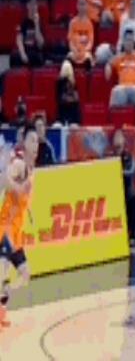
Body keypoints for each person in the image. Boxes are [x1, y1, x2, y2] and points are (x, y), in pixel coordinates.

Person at [0, 124, 39, 327]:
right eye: (31, 140)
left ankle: (3, 300)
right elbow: (3, 181)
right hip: (4, 229)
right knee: (3, 272)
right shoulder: (19, 165)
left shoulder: (32, 170)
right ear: (24, 143)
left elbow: (24, 198)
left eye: (37, 140)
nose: (35, 144)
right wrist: (18, 188)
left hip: (16, 234)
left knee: (25, 275)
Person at [106, 30, 135, 126]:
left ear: (134, 43)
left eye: (131, 40)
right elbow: (109, 64)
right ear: (123, 42)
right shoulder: (118, 57)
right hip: (122, 88)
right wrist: (108, 66)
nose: (129, 43)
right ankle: (112, 125)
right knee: (115, 91)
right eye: (127, 40)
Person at [112, 129, 135, 244]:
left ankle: (132, 235)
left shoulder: (129, 157)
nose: (118, 140)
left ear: (123, 141)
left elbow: (131, 171)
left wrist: (118, 172)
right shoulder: (109, 156)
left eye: (120, 137)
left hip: (126, 190)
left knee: (134, 200)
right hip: (112, 190)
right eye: (116, 137)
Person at [11, 0, 44, 68]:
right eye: (31, 4)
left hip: (35, 52)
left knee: (36, 57)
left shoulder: (40, 23)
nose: (34, 7)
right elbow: (19, 40)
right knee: (14, 57)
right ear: (27, 6)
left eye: (35, 4)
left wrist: (36, 24)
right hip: (25, 50)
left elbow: (40, 44)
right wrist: (23, 54)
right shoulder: (23, 22)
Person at [67, 0, 94, 71]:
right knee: (68, 59)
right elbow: (70, 42)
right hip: (74, 51)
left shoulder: (89, 24)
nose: (82, 7)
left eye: (83, 4)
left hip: (85, 52)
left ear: (86, 6)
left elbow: (90, 42)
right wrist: (75, 50)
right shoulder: (72, 23)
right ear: (77, 6)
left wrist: (84, 51)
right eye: (80, 4)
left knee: (88, 58)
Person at [57, 61, 80, 125]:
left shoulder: (74, 82)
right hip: (63, 111)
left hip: (73, 112)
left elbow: (76, 98)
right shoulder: (60, 83)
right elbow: (60, 98)